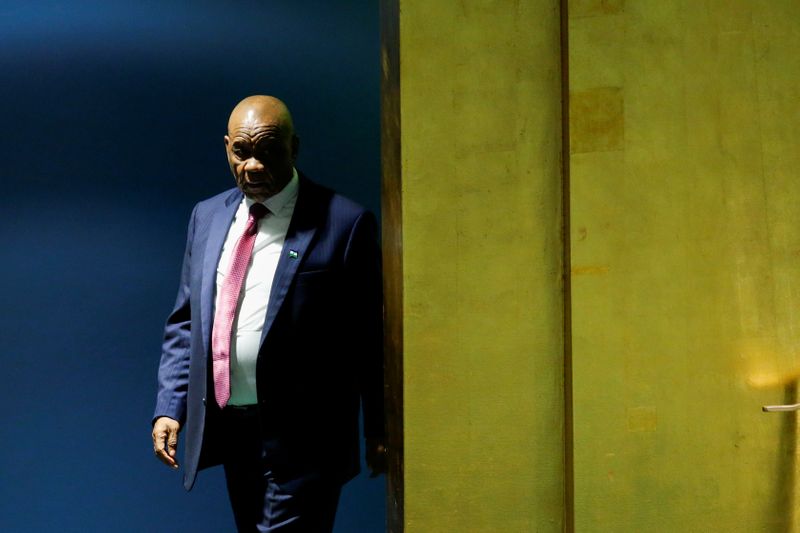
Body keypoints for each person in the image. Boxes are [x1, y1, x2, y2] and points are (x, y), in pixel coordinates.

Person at [151, 95, 386, 532]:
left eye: (268, 151)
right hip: (233, 431)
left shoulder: (345, 223)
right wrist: (170, 406)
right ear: (226, 148)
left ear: (293, 148)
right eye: (242, 151)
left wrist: (379, 427)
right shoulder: (207, 217)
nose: (254, 165)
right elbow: (187, 322)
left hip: (307, 439)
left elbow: (368, 336)